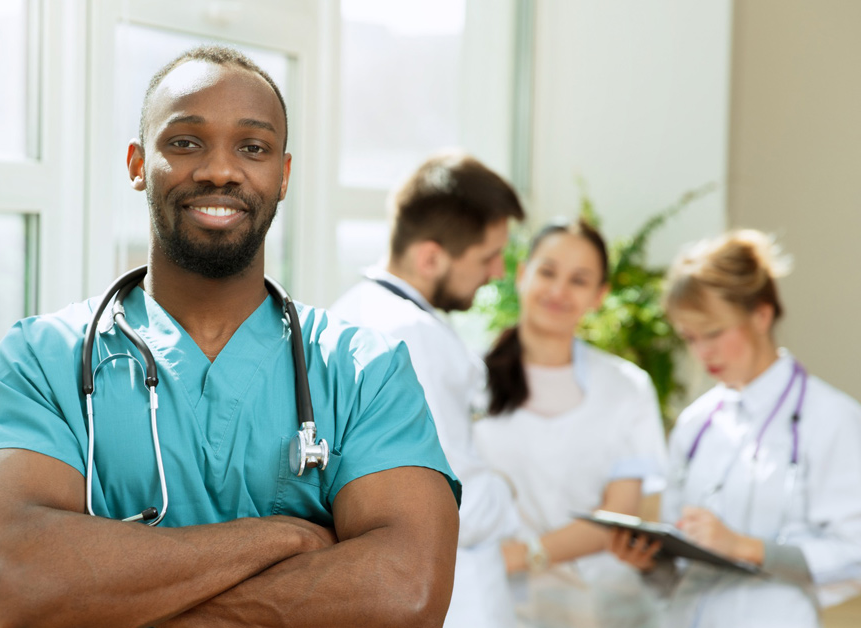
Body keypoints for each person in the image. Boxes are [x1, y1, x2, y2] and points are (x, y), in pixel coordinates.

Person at [0, 45, 463, 628]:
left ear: (284, 174)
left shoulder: (363, 369)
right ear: (138, 164)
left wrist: (121, 601)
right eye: (186, 142)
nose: (220, 170)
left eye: (252, 148)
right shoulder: (41, 361)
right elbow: (21, 582)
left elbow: (406, 593)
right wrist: (279, 539)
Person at [610, 230, 861, 627]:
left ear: (761, 315)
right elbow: (678, 576)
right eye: (689, 338)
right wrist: (648, 563)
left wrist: (745, 547)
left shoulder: (830, 418)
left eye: (713, 333)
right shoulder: (695, 424)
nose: (702, 352)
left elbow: (854, 552)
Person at [331, 150, 526, 628]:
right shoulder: (410, 335)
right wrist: (506, 491)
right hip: (457, 603)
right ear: (431, 257)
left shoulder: (349, 312)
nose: (498, 272)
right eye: (487, 256)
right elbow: (452, 499)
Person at [473, 219, 668, 628]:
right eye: (547, 272)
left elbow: (620, 514)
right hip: (495, 602)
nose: (559, 291)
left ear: (599, 296)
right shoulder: (470, 379)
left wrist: (526, 555)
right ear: (522, 275)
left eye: (579, 281)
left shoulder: (626, 387)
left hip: (600, 605)